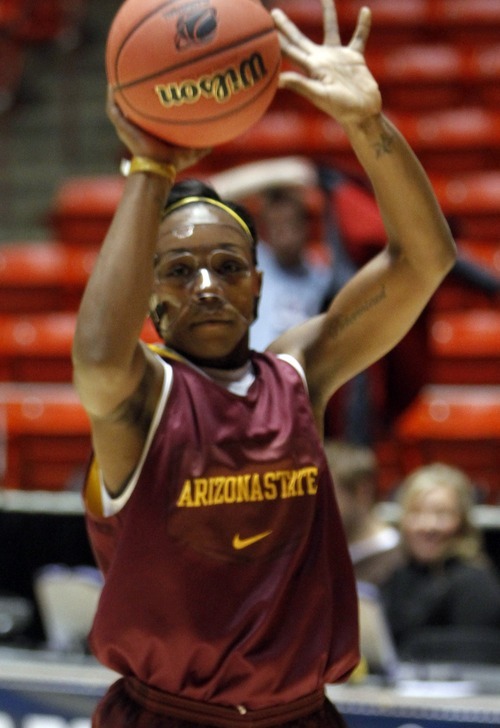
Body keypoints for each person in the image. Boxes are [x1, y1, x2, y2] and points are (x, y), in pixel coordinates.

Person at [72, 2, 456, 725]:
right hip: (170, 715)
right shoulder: (140, 401)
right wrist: (152, 166)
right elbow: (96, 352)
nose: (207, 284)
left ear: (257, 287)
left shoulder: (299, 374)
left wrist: (367, 124)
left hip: (302, 714)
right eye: (179, 271)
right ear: (150, 302)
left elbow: (424, 259)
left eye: (226, 265)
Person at [380, 463, 500, 663]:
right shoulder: (398, 576)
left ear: (462, 521)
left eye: (442, 514)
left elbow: (477, 659)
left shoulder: (476, 583)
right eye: (416, 513)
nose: (428, 526)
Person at [249, 185, 334, 351]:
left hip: (294, 366)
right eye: (277, 228)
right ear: (267, 231)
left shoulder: (321, 277)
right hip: (254, 363)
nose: (285, 237)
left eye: (290, 226)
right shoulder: (254, 263)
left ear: (304, 227)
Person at [324, 439, 402, 587]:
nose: (319, 507)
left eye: (327, 495)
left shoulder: (397, 561)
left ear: (362, 492)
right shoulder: (319, 553)